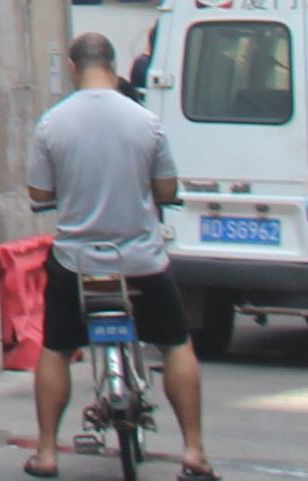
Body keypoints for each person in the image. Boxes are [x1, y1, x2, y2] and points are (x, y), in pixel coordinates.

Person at [25, 33, 214, 481]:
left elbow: (39, 193)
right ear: (112, 66)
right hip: (141, 262)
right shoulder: (146, 121)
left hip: (77, 264)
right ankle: (193, 452)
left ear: (74, 67)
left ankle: (47, 452)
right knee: (176, 344)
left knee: (56, 348)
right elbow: (166, 188)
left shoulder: (52, 124)